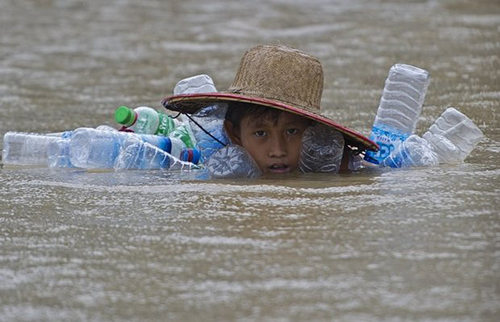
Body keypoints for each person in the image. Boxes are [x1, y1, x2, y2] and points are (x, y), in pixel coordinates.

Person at [162, 45, 378, 175]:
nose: (278, 150)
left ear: (313, 132)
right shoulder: (214, 168)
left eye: (292, 132)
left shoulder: (332, 166)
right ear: (234, 134)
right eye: (260, 133)